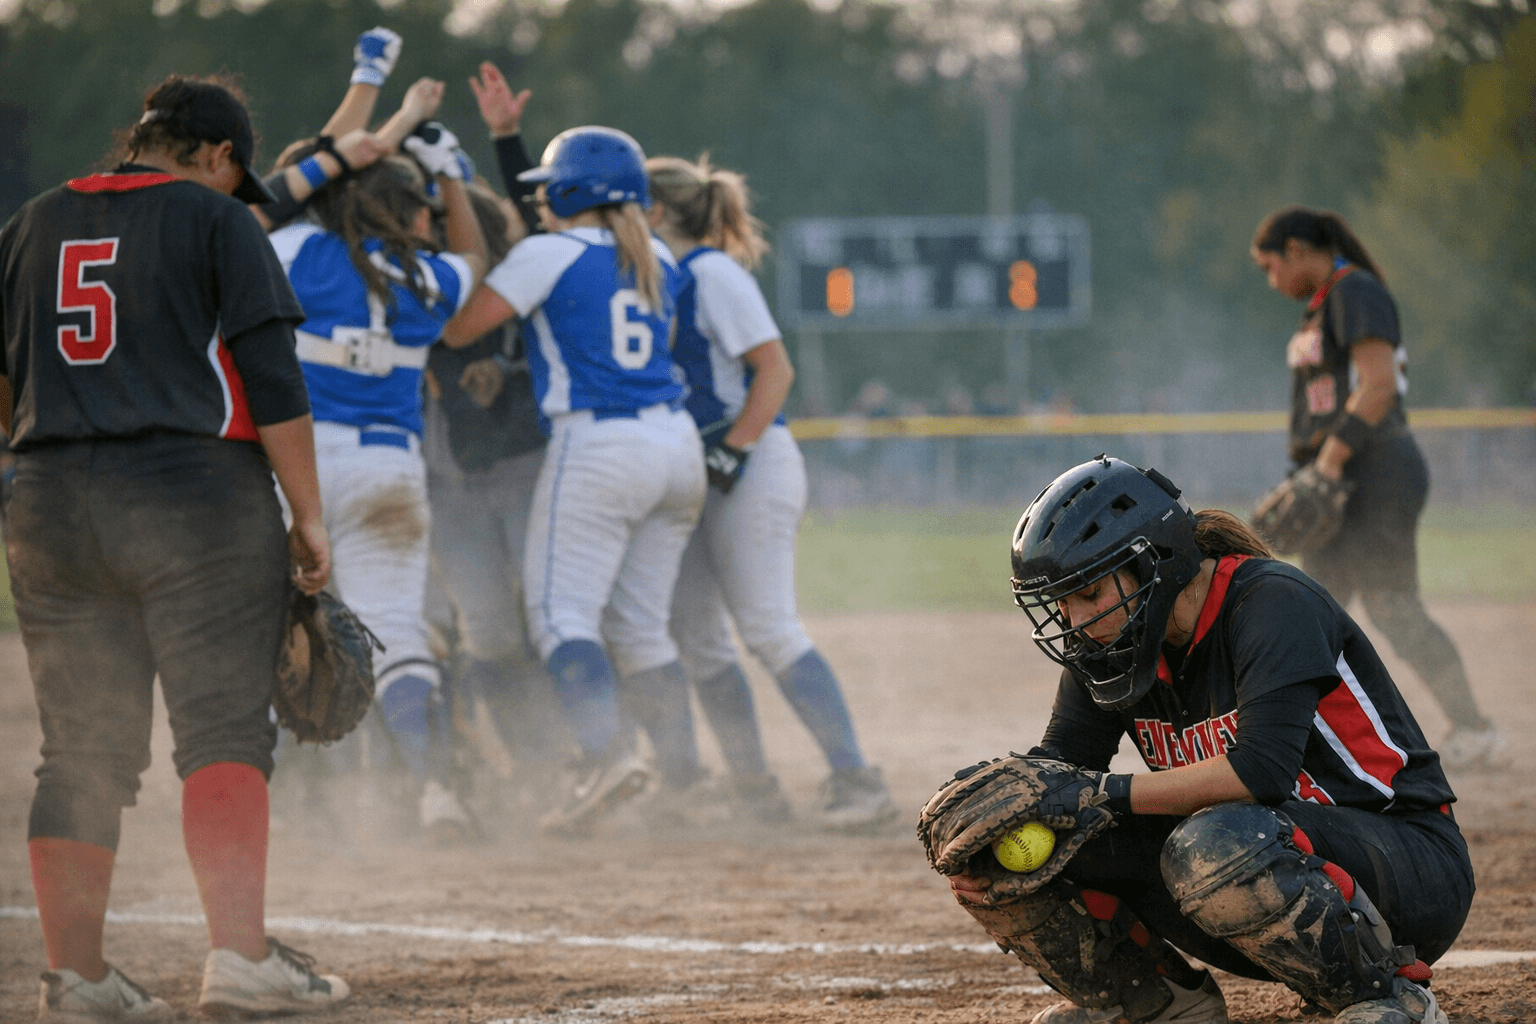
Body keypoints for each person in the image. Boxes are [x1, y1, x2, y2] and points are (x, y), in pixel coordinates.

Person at [0, 75, 351, 1019]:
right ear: (219, 155)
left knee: (79, 752)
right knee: (224, 733)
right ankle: (239, 959)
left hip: (49, 502)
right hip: (194, 497)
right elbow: (271, 376)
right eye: (238, 173)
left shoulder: (31, 222)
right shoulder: (216, 218)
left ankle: (77, 978)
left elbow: (7, 380)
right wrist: (308, 514)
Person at [941, 455, 1471, 1024]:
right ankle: (1158, 1004)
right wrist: (1004, 813)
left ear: (1152, 563)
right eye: (1063, 602)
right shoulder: (1110, 646)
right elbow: (1064, 767)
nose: (1075, 620)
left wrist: (1097, 792)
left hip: (1408, 867)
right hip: (1262, 870)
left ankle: (1389, 994)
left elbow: (1260, 773)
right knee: (1018, 840)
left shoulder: (1271, 602)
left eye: (1090, 593)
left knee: (1217, 837)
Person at [441, 125, 706, 836]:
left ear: (567, 192)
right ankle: (685, 780)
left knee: (561, 619)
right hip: (674, 442)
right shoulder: (654, 253)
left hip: (600, 444)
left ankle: (604, 758)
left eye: (547, 192)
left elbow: (462, 328)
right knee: (642, 629)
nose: (539, 204)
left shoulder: (546, 252)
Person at [645, 154, 897, 829]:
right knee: (699, 638)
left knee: (767, 627)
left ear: (656, 210)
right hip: (699, 468)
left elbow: (775, 370)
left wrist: (733, 450)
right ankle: (754, 788)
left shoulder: (711, 271)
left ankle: (857, 780)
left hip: (750, 459)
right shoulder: (656, 275)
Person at [266, 87, 490, 843]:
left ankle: (277, 803)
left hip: (295, 469)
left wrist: (344, 147)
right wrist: (450, 175)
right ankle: (436, 792)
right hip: (387, 472)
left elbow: (265, 209)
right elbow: (475, 257)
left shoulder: (296, 252)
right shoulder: (424, 277)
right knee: (397, 631)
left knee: (270, 629)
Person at [1250, 206, 1503, 770]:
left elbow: (1379, 385)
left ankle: (1476, 730)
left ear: (1296, 249)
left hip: (1375, 472)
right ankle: (1302, 740)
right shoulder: (1323, 305)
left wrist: (1326, 465)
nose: (1272, 281)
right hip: (1343, 474)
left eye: (1270, 265)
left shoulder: (1354, 290)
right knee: (1313, 612)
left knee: (1392, 607)